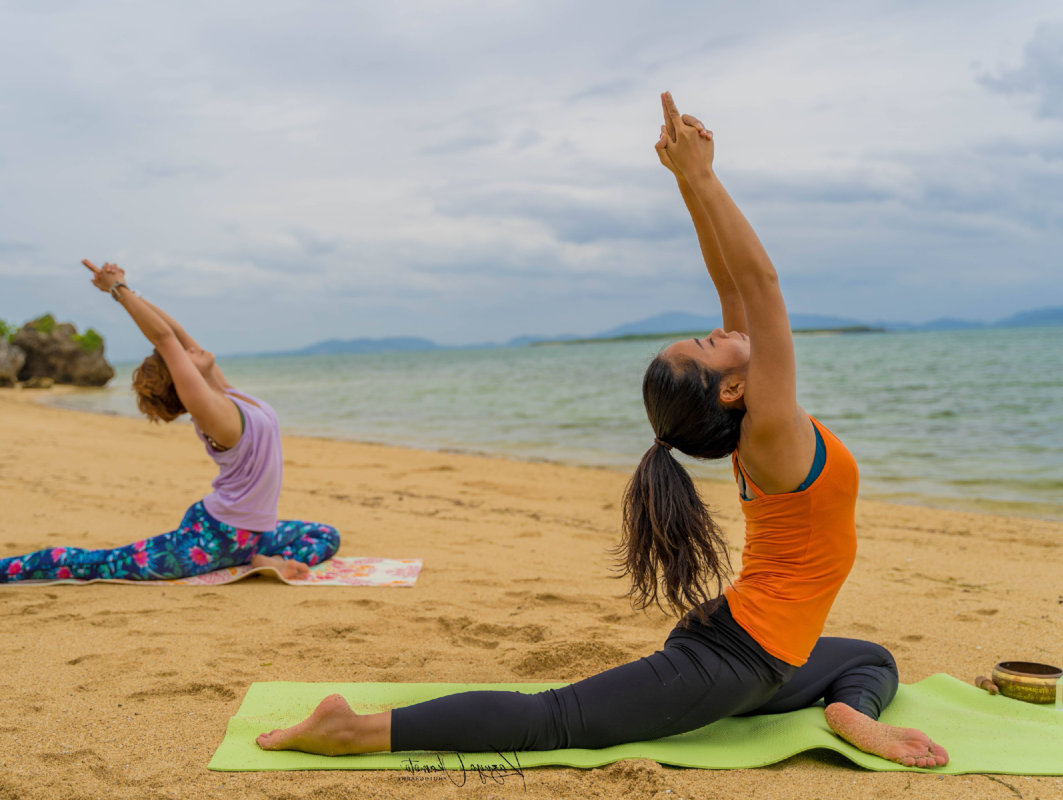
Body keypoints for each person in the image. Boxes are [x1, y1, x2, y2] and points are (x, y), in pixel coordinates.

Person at [251, 93, 949, 769]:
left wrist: (688, 183)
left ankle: (847, 710)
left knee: (870, 658)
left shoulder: (754, 422)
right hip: (734, 659)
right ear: (732, 388)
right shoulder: (772, 435)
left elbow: (735, 286)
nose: (720, 328)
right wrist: (702, 174)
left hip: (771, 649)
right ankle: (353, 730)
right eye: (708, 343)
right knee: (556, 719)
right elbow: (762, 284)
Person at [0, 260, 340, 585]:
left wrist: (132, 289)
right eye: (184, 357)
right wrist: (117, 290)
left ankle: (265, 560)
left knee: (326, 535)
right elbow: (165, 339)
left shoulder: (228, 394)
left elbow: (177, 335)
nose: (192, 348)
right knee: (99, 563)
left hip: (252, 533)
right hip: (210, 538)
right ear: (181, 377)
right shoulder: (213, 413)